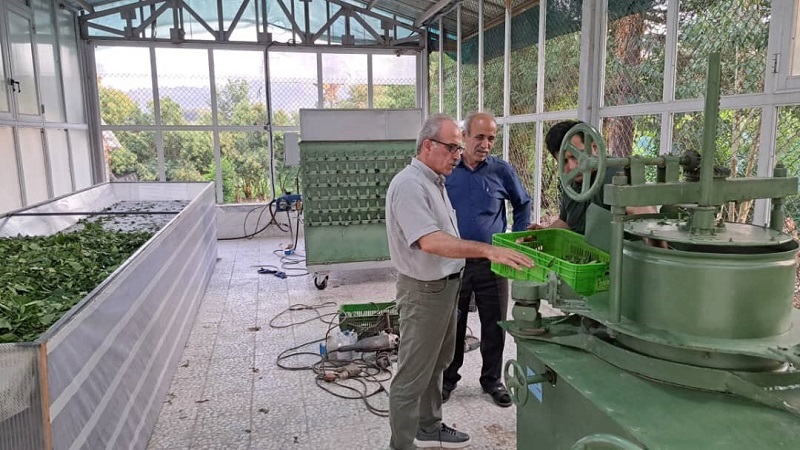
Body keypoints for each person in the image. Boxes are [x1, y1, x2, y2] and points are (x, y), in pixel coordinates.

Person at [386, 113, 533, 450]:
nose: (458, 153)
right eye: (452, 147)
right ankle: (401, 444)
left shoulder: (435, 180)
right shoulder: (410, 185)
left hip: (447, 285)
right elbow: (430, 241)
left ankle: (429, 426)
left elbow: (520, 203)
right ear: (428, 145)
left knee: (437, 362)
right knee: (413, 374)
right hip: (425, 292)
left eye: (457, 148)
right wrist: (488, 249)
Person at [441, 111, 531, 408]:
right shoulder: (447, 169)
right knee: (452, 325)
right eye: (479, 137)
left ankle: (492, 380)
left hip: (493, 262)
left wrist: (517, 238)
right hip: (455, 262)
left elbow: (523, 204)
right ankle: (447, 379)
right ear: (464, 136)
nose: (486, 144)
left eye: (491, 138)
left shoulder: (501, 171)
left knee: (494, 324)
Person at [532, 120, 658, 234]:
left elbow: (643, 213)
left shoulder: (614, 173)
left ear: (595, 148)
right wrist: (543, 234)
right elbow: (566, 223)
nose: (571, 166)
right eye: (564, 161)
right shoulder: (570, 183)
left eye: (576, 156)